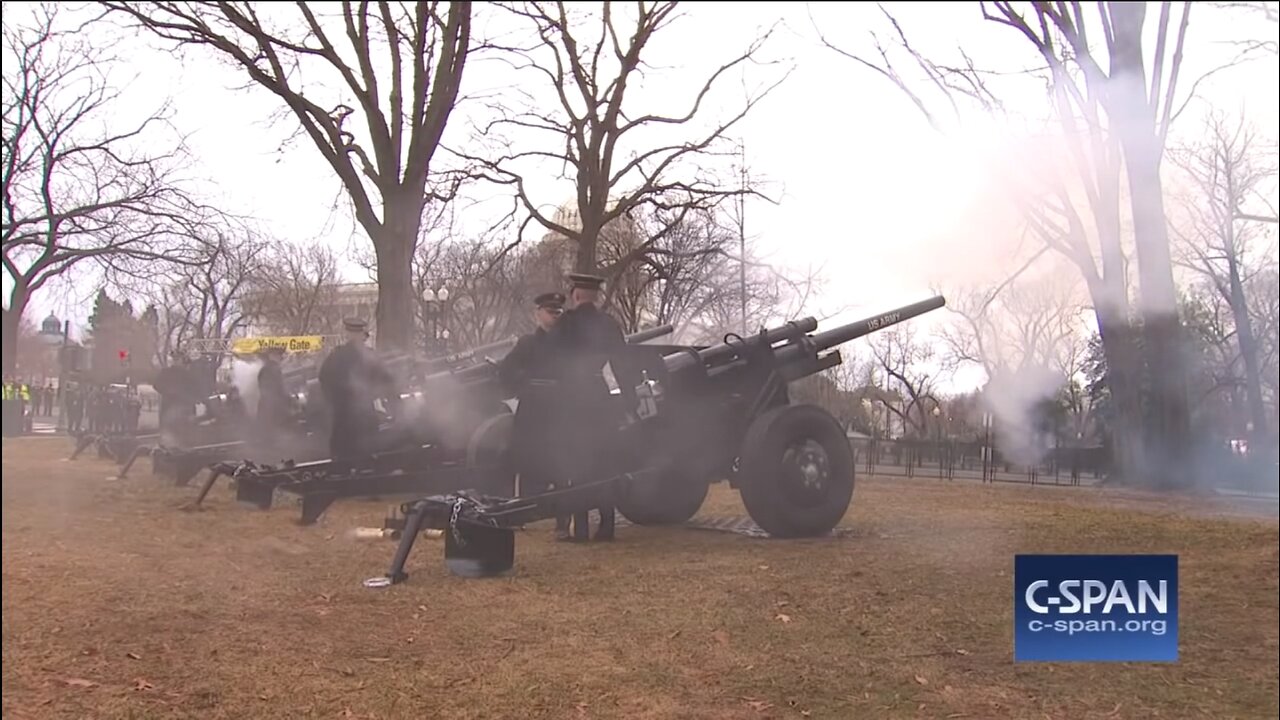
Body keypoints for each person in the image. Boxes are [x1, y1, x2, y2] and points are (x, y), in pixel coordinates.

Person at [549, 273, 641, 542]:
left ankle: (580, 529)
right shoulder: (609, 323)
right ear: (596, 296)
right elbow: (622, 366)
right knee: (604, 461)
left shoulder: (565, 324)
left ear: (576, 295)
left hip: (571, 399)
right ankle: (607, 526)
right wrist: (629, 402)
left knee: (575, 464)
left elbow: (552, 363)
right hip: (599, 397)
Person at [499, 292, 569, 532]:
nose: (554, 316)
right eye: (550, 311)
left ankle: (562, 520)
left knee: (562, 466)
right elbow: (506, 371)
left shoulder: (569, 344)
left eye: (558, 312)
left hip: (560, 411)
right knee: (528, 463)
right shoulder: (527, 343)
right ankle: (525, 514)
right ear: (538, 314)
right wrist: (525, 385)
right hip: (533, 411)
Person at [318, 318, 397, 461]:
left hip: (342, 416)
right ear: (362, 334)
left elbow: (323, 378)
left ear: (347, 334)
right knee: (367, 458)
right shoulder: (370, 355)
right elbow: (387, 381)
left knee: (343, 458)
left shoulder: (336, 355)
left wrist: (334, 400)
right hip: (364, 415)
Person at [254, 346, 293, 453]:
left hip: (269, 407)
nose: (281, 357)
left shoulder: (267, 369)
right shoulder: (272, 369)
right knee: (274, 439)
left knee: (269, 439)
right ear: (272, 355)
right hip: (273, 407)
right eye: (278, 355)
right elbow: (277, 389)